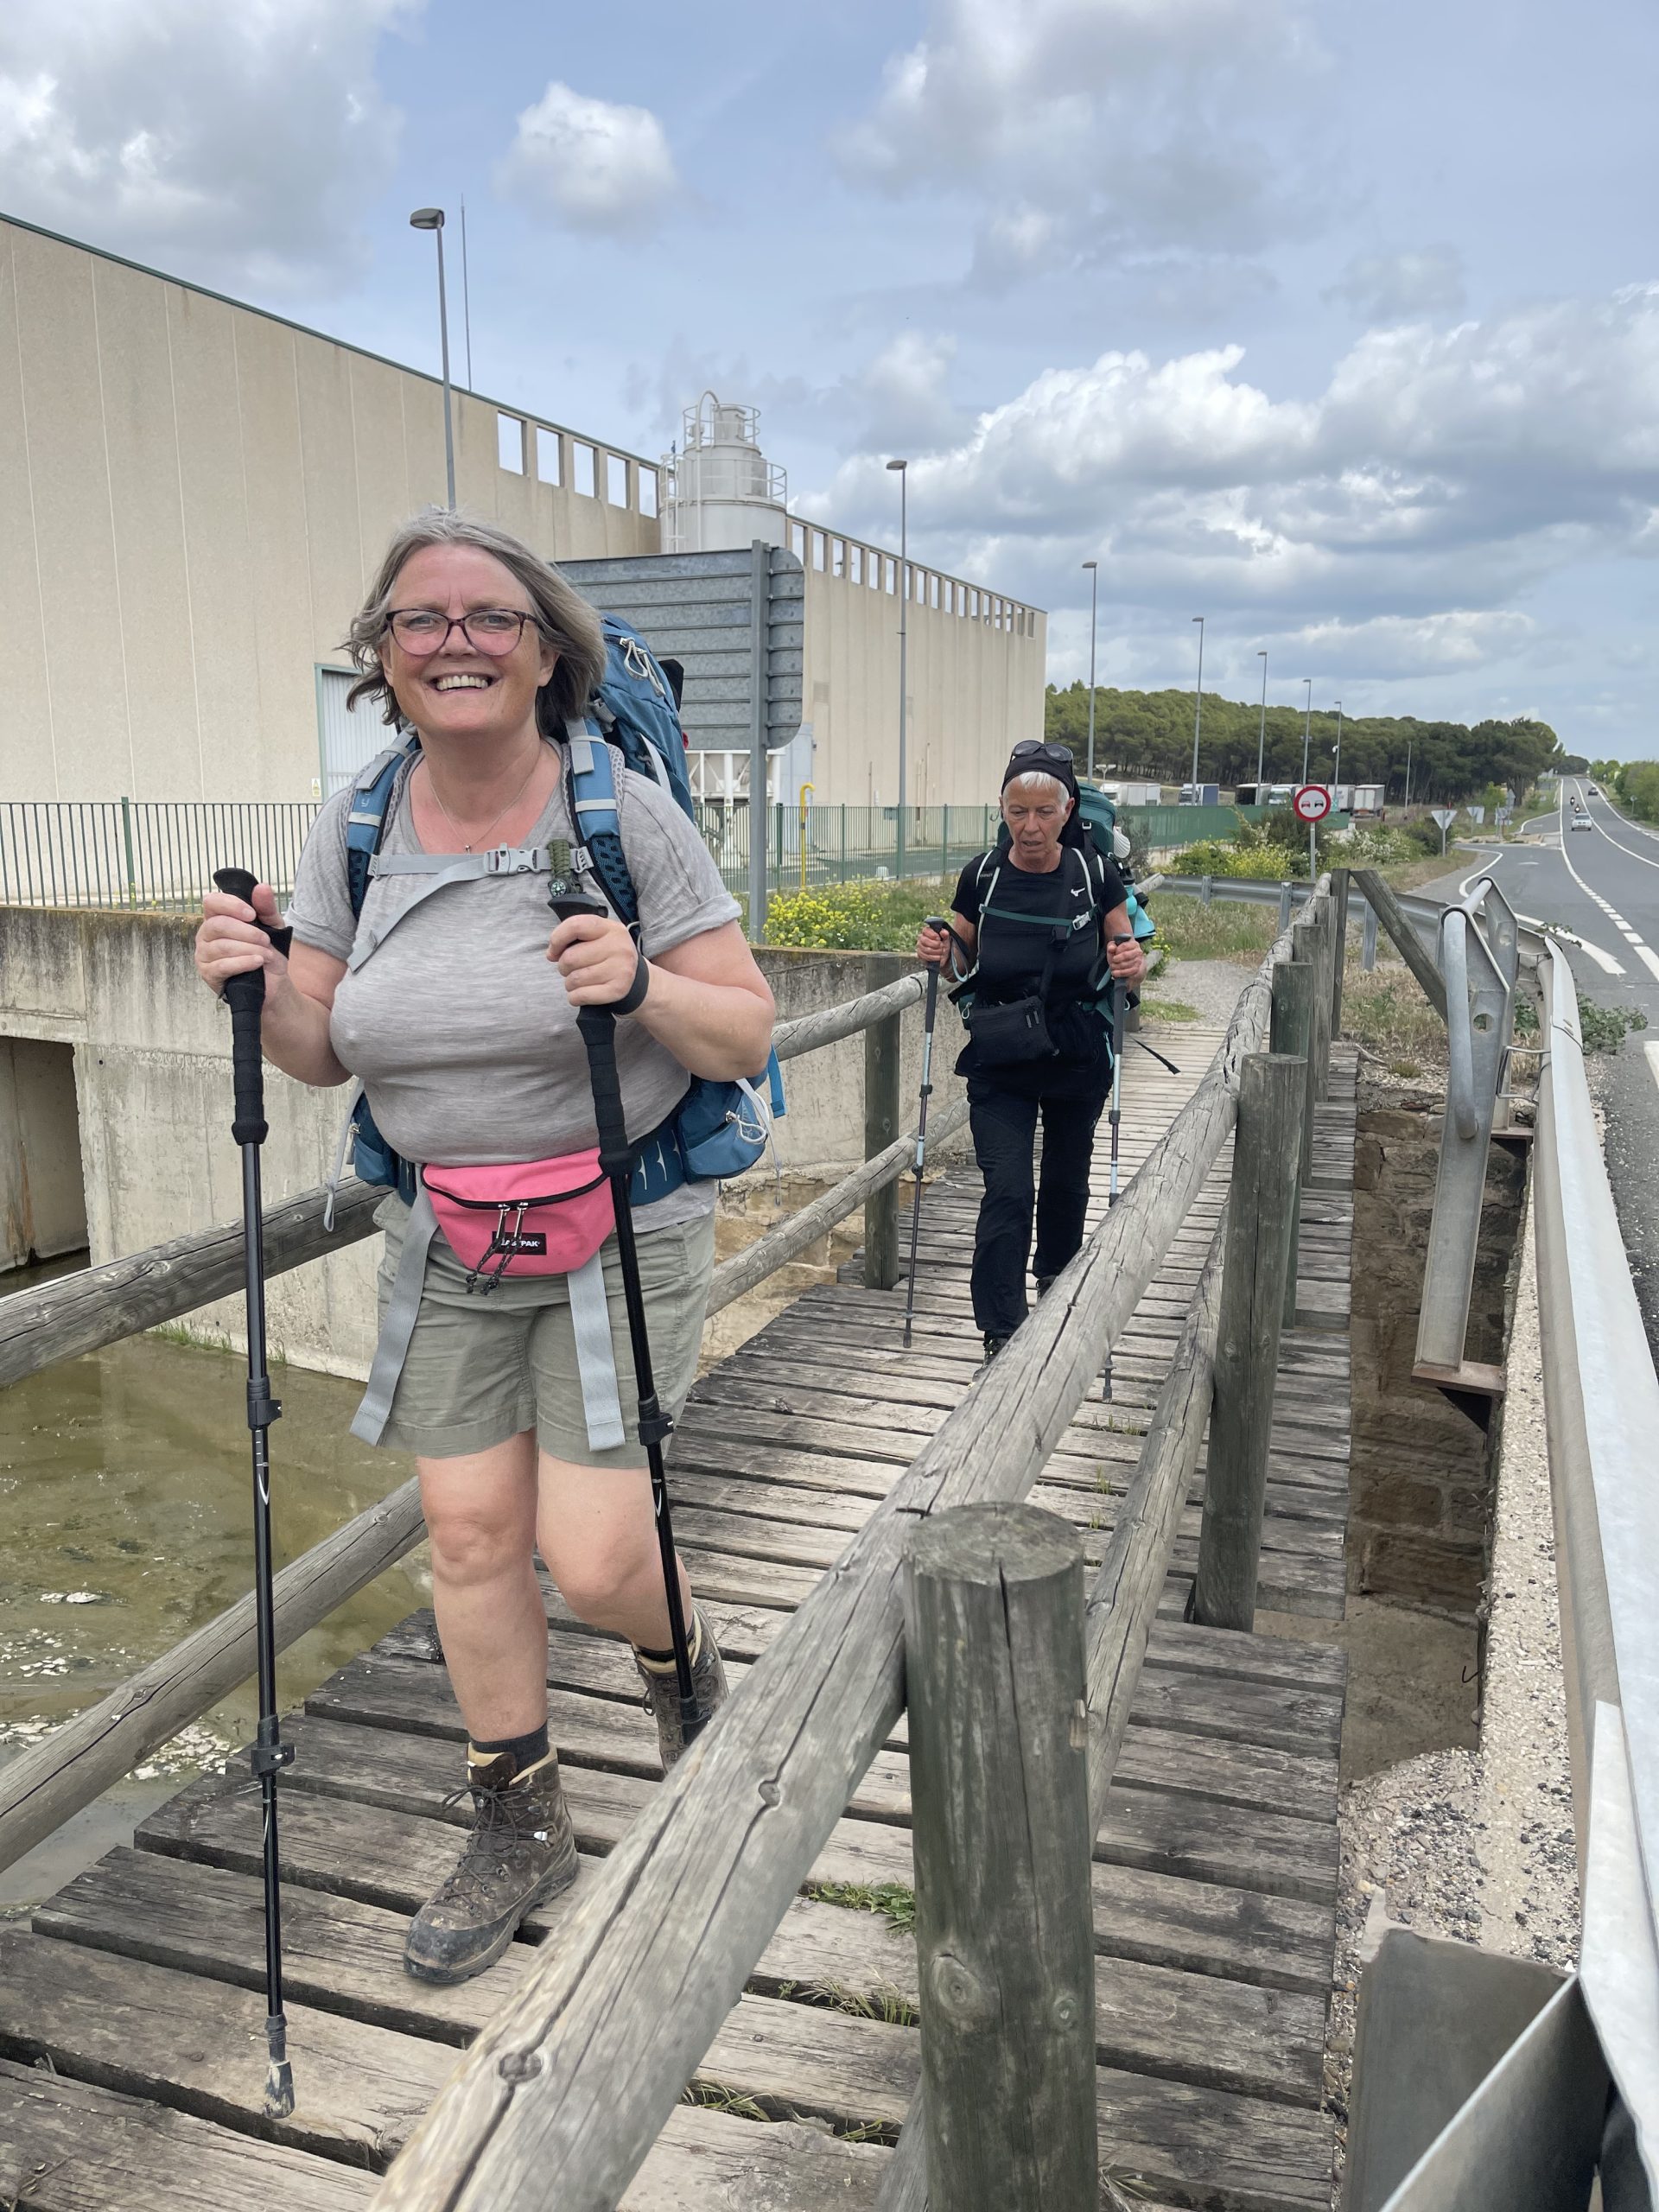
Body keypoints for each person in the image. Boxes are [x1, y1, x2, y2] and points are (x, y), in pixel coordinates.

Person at [194, 509, 774, 1986]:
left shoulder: (617, 815)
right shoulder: (358, 826)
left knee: (590, 1552)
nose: (454, 640)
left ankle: (684, 1666)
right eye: (421, 621)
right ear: (382, 661)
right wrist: (257, 987)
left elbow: (745, 1024)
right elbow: (324, 1052)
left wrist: (639, 980)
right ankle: (519, 1817)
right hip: (445, 1225)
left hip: (618, 1216)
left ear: (541, 651)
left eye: (487, 618)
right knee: (465, 1535)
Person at [917, 740, 1147, 1363]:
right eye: (1019, 812)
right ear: (1002, 807)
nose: (1032, 826)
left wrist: (1132, 963)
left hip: (1075, 1052)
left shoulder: (1095, 874)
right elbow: (960, 954)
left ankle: (1056, 1281)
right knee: (1008, 1189)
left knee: (1067, 1180)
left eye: (1045, 813)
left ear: (1068, 810)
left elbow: (1127, 957)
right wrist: (941, 952)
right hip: (1001, 1055)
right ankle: (1001, 1327)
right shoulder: (983, 875)